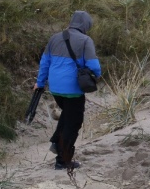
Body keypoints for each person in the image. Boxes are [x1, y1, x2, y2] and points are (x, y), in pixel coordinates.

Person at [35, 11, 102, 170]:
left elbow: (44, 62)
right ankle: (63, 160)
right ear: (85, 25)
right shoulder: (85, 40)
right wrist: (95, 76)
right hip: (73, 89)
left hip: (55, 88)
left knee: (67, 115)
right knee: (73, 123)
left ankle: (56, 143)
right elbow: (94, 67)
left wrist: (40, 82)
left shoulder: (54, 38)